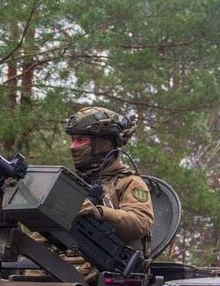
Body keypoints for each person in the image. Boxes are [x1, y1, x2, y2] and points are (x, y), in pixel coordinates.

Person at [64, 106, 156, 256]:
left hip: (105, 266)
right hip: (60, 263)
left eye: (80, 140)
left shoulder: (129, 183)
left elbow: (140, 222)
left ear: (103, 143)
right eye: (73, 140)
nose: (72, 147)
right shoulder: (73, 184)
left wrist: (99, 212)